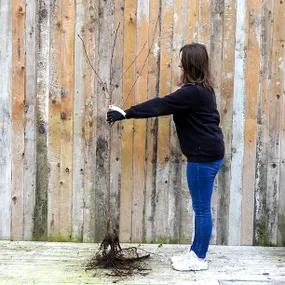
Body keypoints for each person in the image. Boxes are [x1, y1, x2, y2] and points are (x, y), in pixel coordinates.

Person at [106, 43, 225, 271]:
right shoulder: (202, 89)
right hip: (208, 153)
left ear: (189, 64)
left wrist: (126, 113)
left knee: (201, 209)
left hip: (203, 157)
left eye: (182, 60)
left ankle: (198, 258)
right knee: (200, 207)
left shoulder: (192, 92)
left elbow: (161, 105)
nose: (179, 64)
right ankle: (195, 252)